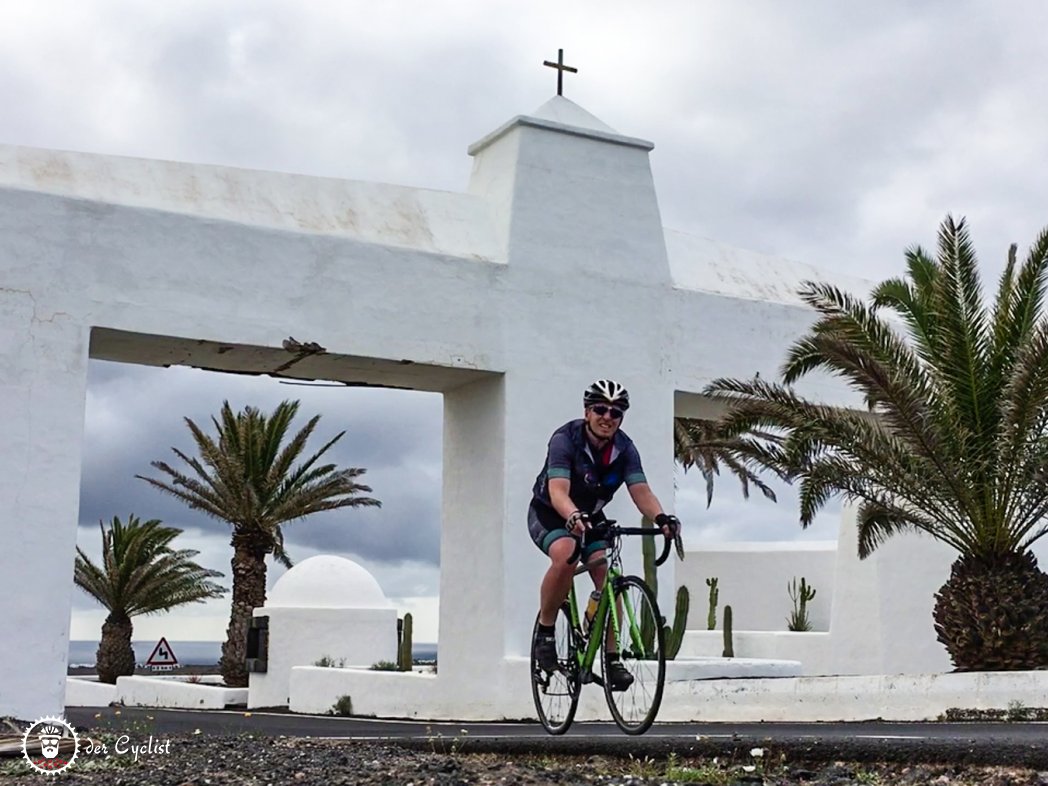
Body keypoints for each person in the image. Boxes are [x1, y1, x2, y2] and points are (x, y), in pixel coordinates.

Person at [528, 379, 680, 690]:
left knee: (607, 573)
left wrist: (662, 518)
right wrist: (571, 515)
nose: (607, 416)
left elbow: (641, 490)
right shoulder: (565, 439)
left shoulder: (624, 448)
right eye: (600, 409)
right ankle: (546, 632)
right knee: (565, 554)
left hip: (591, 515)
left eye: (616, 412)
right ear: (587, 412)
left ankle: (612, 660)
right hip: (551, 511)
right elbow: (558, 491)